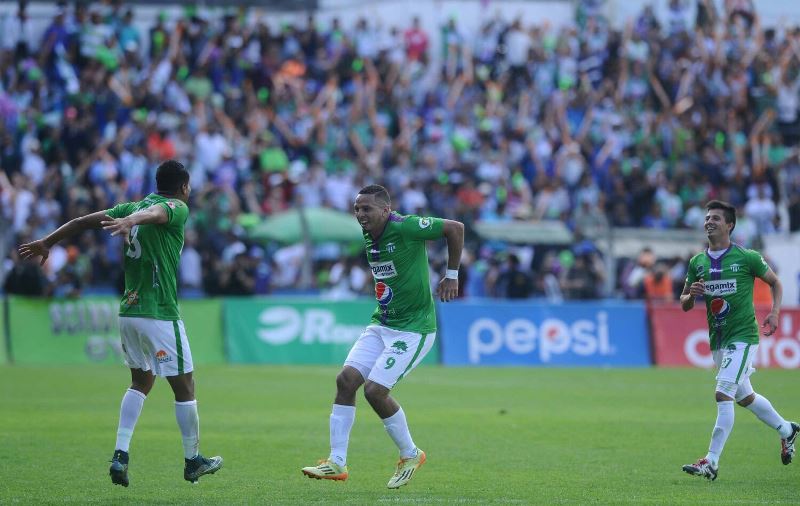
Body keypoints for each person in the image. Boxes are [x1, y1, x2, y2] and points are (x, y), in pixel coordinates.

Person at [18, 160, 223, 487]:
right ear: (184, 187)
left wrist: (48, 241)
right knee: (185, 387)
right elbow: (158, 214)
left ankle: (120, 455)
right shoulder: (176, 208)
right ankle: (192, 460)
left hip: (128, 312)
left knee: (141, 383)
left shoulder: (132, 204)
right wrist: (132, 219)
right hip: (160, 311)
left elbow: (82, 221)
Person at [301, 184, 464, 489]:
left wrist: (451, 275)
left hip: (414, 328)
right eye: (357, 209)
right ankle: (336, 462)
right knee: (346, 380)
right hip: (383, 323)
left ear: (386, 210)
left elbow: (455, 228)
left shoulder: (406, 227)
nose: (360, 214)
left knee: (375, 391)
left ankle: (410, 453)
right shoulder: (369, 233)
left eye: (366, 209)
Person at [680, 200, 797, 481]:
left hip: (743, 337)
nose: (709, 222)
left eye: (716, 218)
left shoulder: (747, 258)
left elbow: (776, 282)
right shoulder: (697, 262)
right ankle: (787, 430)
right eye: (707, 218)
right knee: (745, 397)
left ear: (729, 225)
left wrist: (775, 312)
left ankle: (711, 461)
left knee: (723, 394)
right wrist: (691, 295)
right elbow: (684, 302)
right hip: (717, 340)